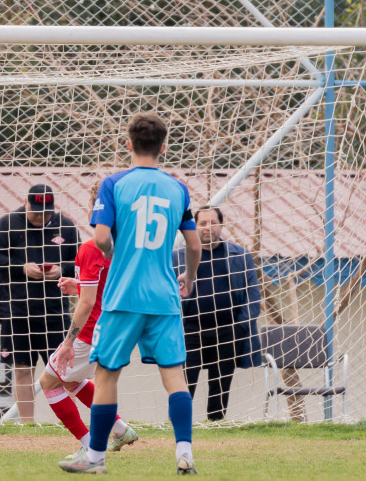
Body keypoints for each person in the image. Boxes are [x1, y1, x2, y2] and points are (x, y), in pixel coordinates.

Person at [59, 112, 201, 475]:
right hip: (164, 297)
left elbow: (102, 237)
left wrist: (111, 254)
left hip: (123, 298)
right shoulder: (177, 188)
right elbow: (194, 244)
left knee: (106, 375)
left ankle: (95, 458)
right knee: (174, 376)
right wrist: (190, 275)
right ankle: (184, 451)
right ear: (163, 147)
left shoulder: (114, 184)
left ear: (128, 144)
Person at [39, 181, 138, 459]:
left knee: (48, 382)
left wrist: (69, 341)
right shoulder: (130, 245)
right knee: (70, 380)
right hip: (121, 328)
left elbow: (88, 302)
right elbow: (109, 286)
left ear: (98, 209)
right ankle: (118, 429)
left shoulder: (91, 247)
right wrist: (80, 284)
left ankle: (88, 444)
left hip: (92, 331)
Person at [0, 184, 79, 422]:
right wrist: (21, 268)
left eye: (47, 212)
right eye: (37, 211)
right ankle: (27, 426)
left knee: (63, 372)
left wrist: (62, 269)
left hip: (54, 311)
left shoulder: (66, 226)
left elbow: (79, 260)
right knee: (22, 369)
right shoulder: (8, 223)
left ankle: (69, 423)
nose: (42, 217)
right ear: (27, 203)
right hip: (17, 310)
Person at [172, 206, 262, 421]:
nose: (208, 227)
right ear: (194, 227)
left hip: (228, 331)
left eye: (213, 222)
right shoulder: (176, 257)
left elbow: (253, 295)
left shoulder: (239, 256)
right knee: (184, 382)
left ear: (222, 225)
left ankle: (216, 426)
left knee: (220, 385)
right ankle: (179, 425)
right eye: (202, 223)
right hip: (189, 331)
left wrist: (240, 327)